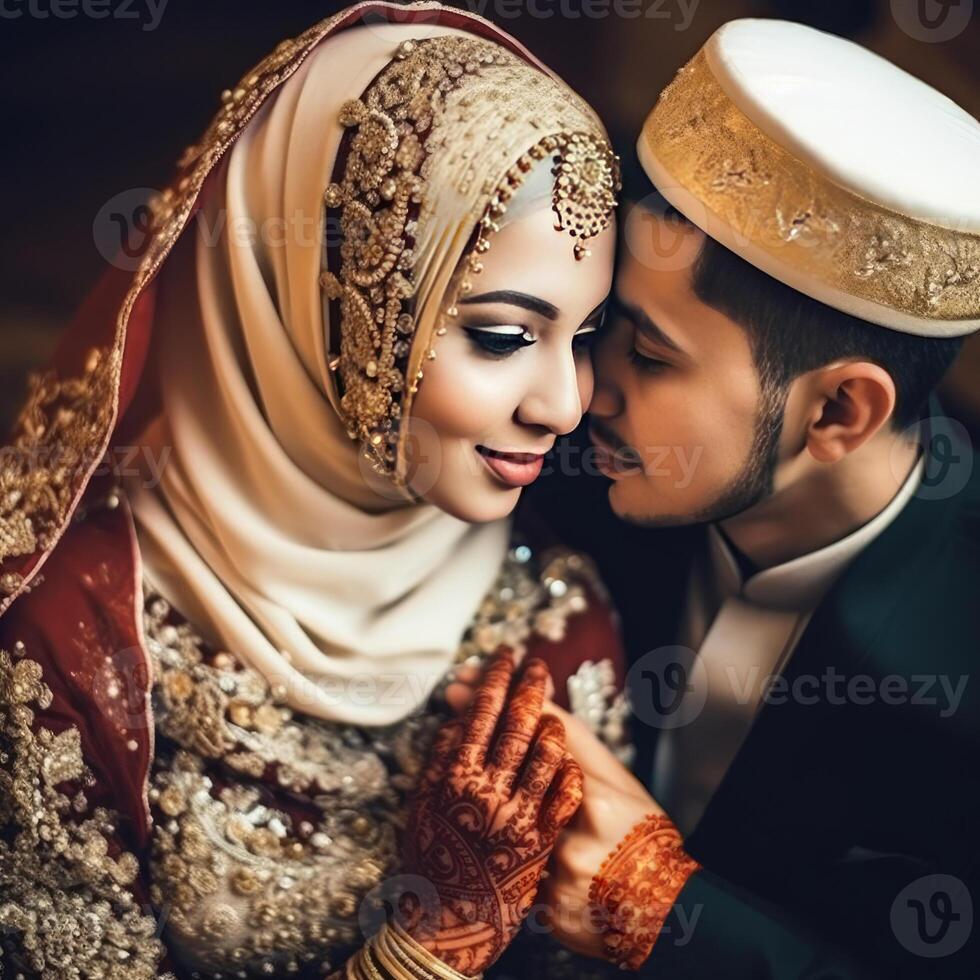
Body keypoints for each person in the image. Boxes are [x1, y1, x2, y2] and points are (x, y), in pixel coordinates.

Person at [0, 4, 628, 978]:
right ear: (318, 301)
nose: (562, 402)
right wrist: (428, 949)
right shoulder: (76, 635)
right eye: (503, 335)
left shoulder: (553, 624)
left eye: (583, 337)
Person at [520, 17, 980, 979]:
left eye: (647, 356)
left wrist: (667, 912)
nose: (578, 394)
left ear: (839, 413)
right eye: (604, 324)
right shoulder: (553, 456)